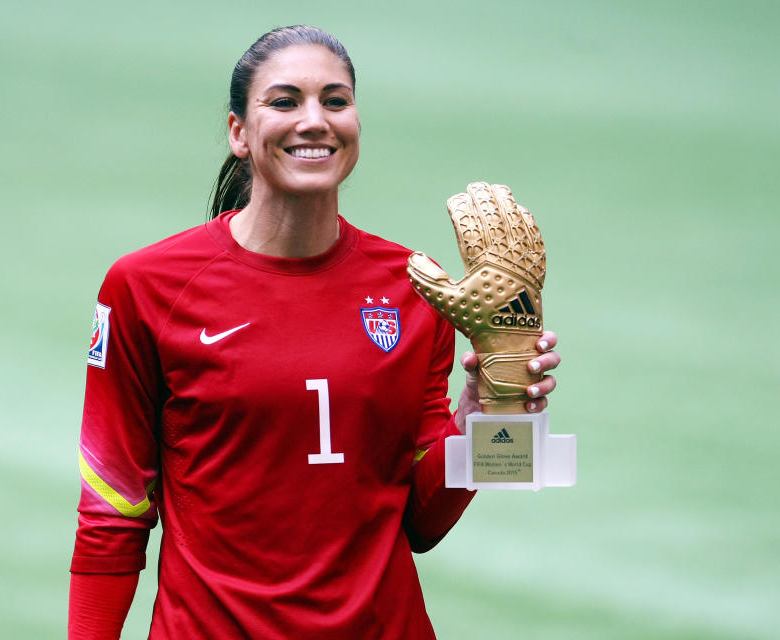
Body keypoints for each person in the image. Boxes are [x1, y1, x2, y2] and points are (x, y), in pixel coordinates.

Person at [68, 25, 560, 639]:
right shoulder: (148, 287)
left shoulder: (417, 289)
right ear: (238, 133)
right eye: (283, 101)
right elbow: (112, 513)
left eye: (335, 100)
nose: (315, 120)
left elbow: (424, 522)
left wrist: (493, 411)